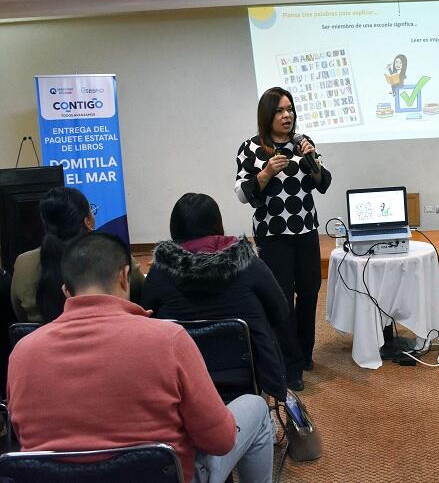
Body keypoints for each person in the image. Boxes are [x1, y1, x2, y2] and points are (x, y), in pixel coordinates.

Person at [7, 232, 274, 483]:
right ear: (125, 276)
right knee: (256, 407)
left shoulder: (22, 351)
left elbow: (23, 437)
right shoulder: (169, 339)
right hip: (164, 475)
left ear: (66, 290)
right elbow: (220, 440)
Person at [141, 192, 299, 401]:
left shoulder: (160, 270)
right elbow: (280, 309)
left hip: (180, 383)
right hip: (247, 380)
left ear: (175, 227)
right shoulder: (248, 262)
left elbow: (143, 320)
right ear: (218, 223)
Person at [235, 87, 332, 391]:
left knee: (309, 292)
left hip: (305, 232)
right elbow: (242, 193)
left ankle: (304, 354)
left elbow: (323, 182)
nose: (287, 115)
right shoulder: (251, 148)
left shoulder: (303, 145)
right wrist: (265, 173)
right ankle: (289, 365)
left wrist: (312, 159)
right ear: (267, 115)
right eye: (279, 110)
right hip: (273, 236)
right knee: (281, 301)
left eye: (289, 109)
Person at [10, 186, 143, 323]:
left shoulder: (23, 263)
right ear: (88, 222)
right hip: (112, 339)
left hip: (41, 342)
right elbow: (142, 300)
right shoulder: (115, 256)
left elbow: (20, 318)